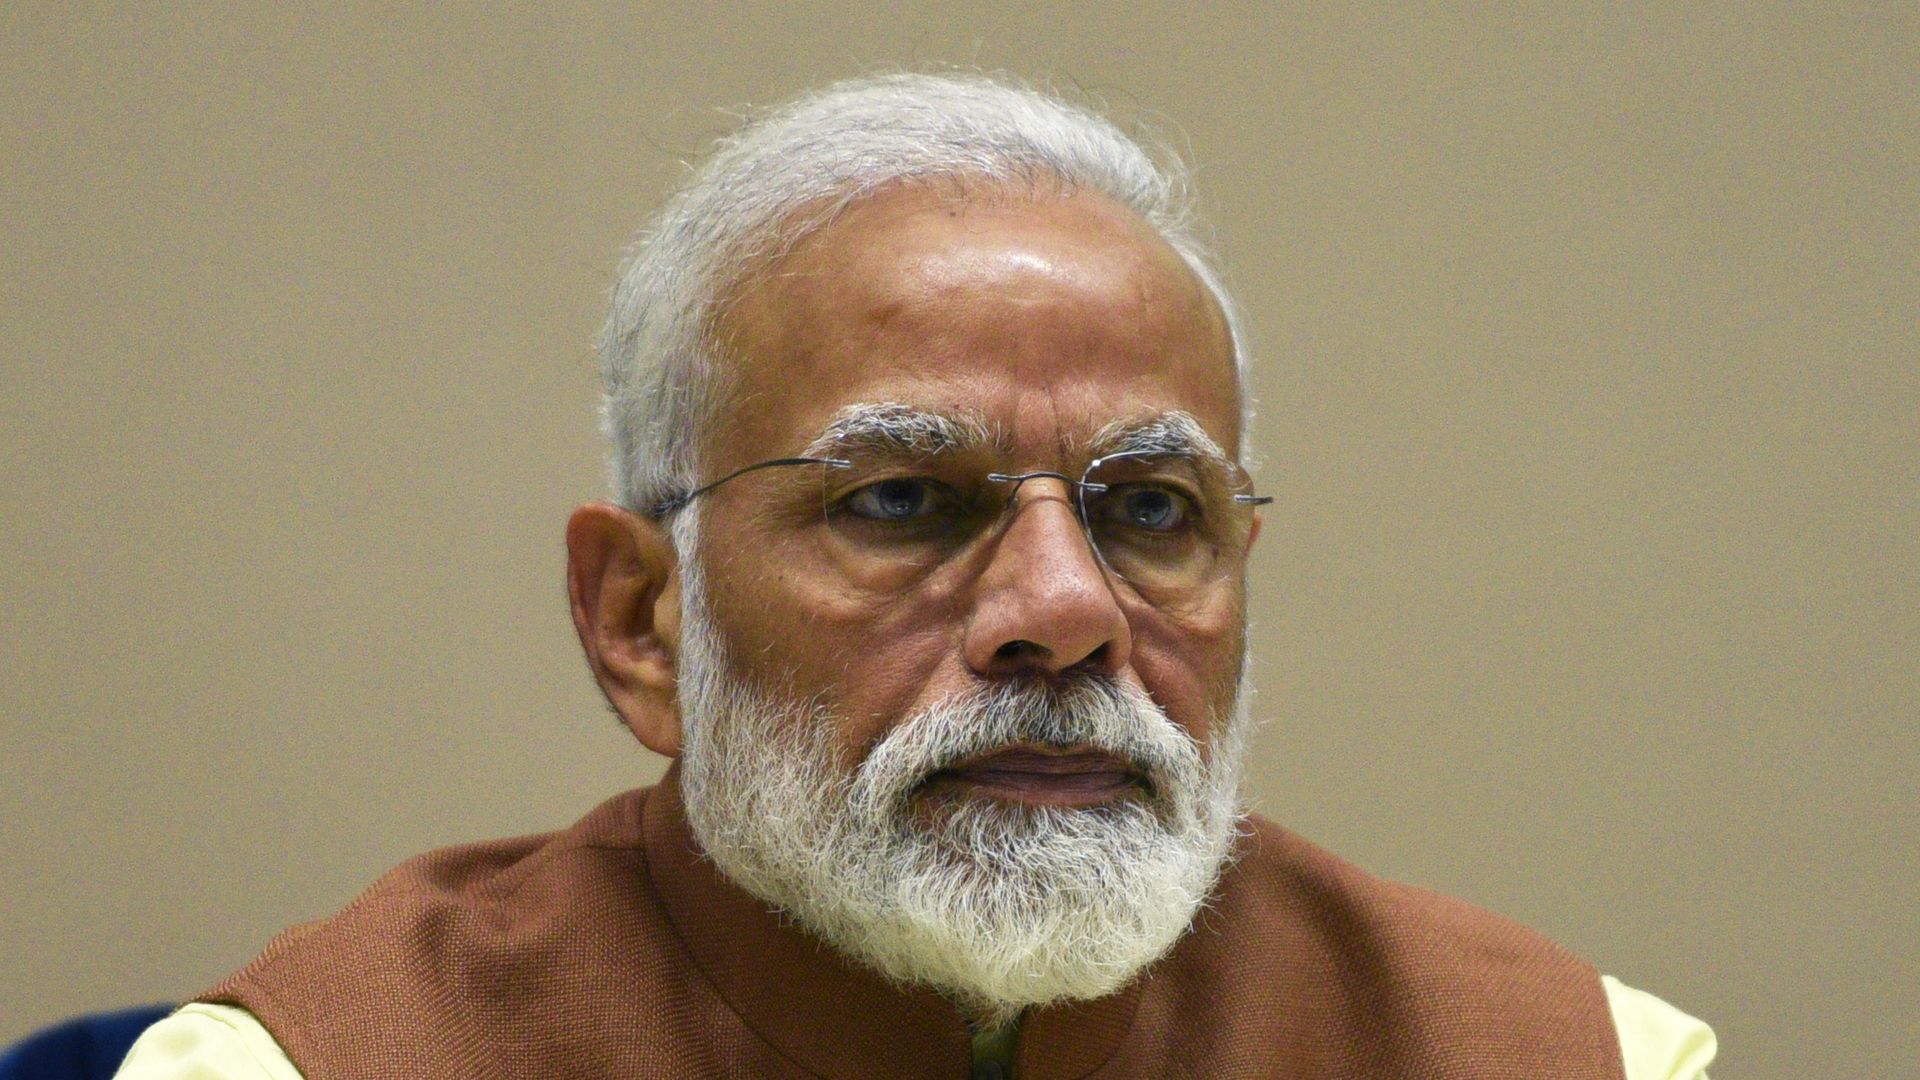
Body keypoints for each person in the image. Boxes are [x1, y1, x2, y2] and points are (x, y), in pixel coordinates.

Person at [116, 72, 1716, 1079]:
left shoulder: (1569, 1056)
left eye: (1153, 510)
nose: (1067, 610)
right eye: (901, 498)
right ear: (642, 622)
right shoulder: (317, 1067)